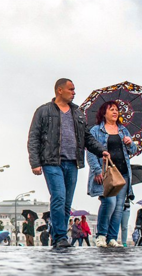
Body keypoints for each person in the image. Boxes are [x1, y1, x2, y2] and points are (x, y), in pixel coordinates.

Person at [28, 78, 109, 248]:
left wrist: (101, 150)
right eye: (71, 89)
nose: (74, 92)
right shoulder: (44, 111)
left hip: (72, 162)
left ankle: (60, 235)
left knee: (66, 202)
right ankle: (59, 237)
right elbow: (34, 137)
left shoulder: (78, 113)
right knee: (58, 197)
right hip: (51, 161)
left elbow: (86, 137)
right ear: (59, 90)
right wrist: (35, 162)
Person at [87, 101, 138, 248]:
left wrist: (130, 144)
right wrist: (97, 170)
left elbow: (133, 151)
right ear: (104, 113)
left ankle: (112, 238)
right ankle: (101, 235)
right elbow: (90, 151)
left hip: (122, 173)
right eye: (111, 110)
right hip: (106, 172)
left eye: (116, 110)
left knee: (119, 206)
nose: (115, 112)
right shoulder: (96, 130)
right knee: (109, 202)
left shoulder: (123, 130)